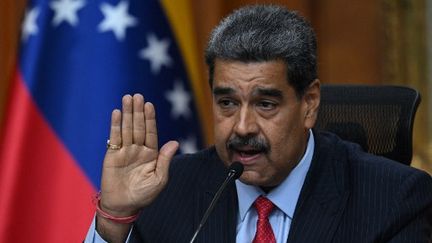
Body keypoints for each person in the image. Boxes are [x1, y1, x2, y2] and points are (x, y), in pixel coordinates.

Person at [85, 4, 432, 243]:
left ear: (309, 104)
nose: (242, 127)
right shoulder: (166, 192)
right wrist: (115, 218)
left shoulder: (395, 200)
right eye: (227, 103)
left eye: (265, 104)